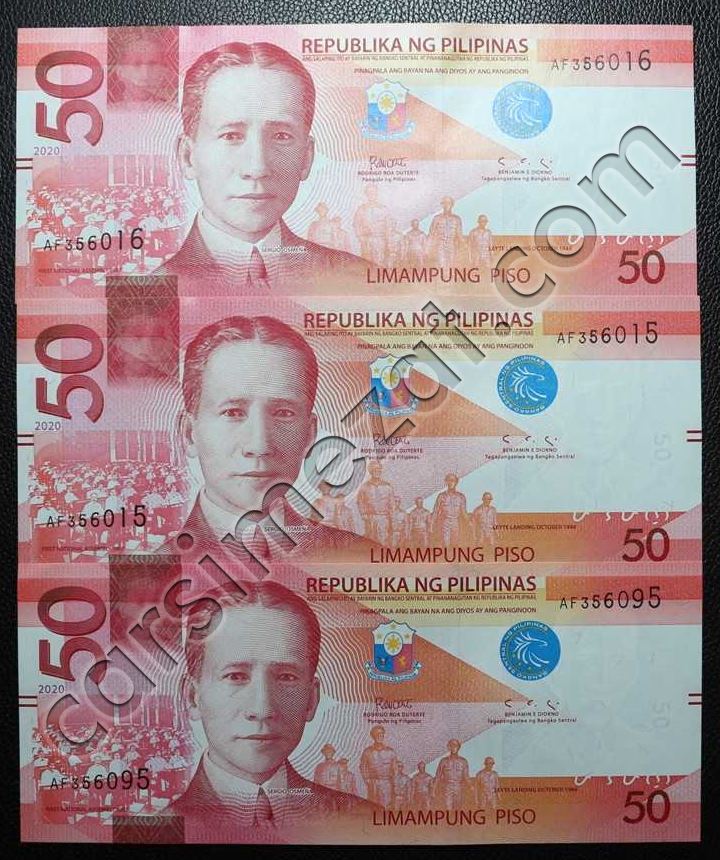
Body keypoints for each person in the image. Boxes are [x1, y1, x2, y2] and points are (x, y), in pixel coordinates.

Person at [164, 315, 368, 571]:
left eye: (283, 413)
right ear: (189, 433)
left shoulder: (364, 560)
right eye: (233, 412)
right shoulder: (146, 575)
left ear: (310, 434)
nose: (259, 446)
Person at [157, 42, 366, 291]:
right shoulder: (149, 294)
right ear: (188, 157)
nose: (257, 168)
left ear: (306, 157)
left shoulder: (362, 281)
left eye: (281, 136)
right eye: (231, 136)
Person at [169, 582, 370, 829]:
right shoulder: (160, 829)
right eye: (235, 676)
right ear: (192, 697)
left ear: (311, 699)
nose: (262, 710)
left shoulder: (364, 821)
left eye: (286, 676)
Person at [359, 725, 398, 808]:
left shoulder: (391, 752)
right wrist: (367, 780)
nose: (380, 736)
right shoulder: (367, 752)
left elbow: (395, 769)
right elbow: (363, 767)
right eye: (377, 734)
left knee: (387, 806)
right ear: (373, 736)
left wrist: (394, 783)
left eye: (382, 734)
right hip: (374, 784)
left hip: (387, 783)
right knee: (373, 806)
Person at [356, 460, 394, 545]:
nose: (377, 471)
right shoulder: (365, 487)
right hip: (371, 517)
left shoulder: (387, 486)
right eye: (375, 469)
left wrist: (391, 517)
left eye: (379, 469)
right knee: (371, 540)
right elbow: (360, 501)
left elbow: (392, 503)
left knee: (384, 539)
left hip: (384, 517)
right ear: (371, 471)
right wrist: (363, 514)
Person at [434, 739, 469, 811]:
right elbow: (438, 776)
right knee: (447, 808)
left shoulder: (463, 761)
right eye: (451, 746)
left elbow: (466, 777)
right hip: (447, 787)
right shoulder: (443, 761)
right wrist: (433, 790)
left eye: (455, 746)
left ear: (458, 747)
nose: (453, 747)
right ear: (449, 747)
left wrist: (471, 787)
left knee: (458, 809)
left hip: (459, 787)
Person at [432, 473, 468, 545]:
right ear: (446, 482)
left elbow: (464, 512)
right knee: (445, 543)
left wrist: (469, 522)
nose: (451, 482)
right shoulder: (441, 496)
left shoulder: (461, 497)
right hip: (445, 522)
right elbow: (435, 511)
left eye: (453, 480)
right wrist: (431, 524)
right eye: (449, 480)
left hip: (456, 522)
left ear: (456, 482)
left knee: (455, 543)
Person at [428, 197, 464, 268]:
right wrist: (428, 248)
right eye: (444, 203)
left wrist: (464, 246)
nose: (446, 205)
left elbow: (459, 235)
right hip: (440, 245)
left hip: (451, 245)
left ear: (452, 205)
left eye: (448, 203)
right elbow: (431, 234)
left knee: (451, 266)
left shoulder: (457, 219)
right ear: (442, 205)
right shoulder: (437, 218)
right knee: (441, 266)